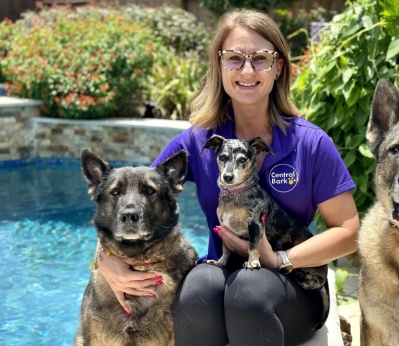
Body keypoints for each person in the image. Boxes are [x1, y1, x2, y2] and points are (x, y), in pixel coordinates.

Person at [95, 9, 359, 346]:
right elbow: (130, 197)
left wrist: (279, 259)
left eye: (260, 58)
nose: (247, 69)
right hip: (224, 271)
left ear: (278, 67)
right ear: (220, 67)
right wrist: (105, 262)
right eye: (234, 58)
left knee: (247, 295)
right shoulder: (198, 141)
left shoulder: (311, 144)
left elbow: (349, 232)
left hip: (294, 284)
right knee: (196, 289)